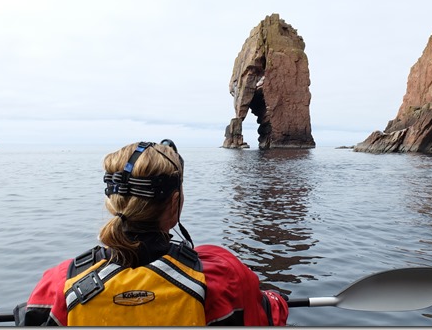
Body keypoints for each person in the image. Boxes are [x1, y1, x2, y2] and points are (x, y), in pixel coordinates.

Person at [14, 139, 288, 326]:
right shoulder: (221, 274)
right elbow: (265, 315)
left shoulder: (60, 283)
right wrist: (276, 301)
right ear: (174, 202)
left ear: (113, 201)